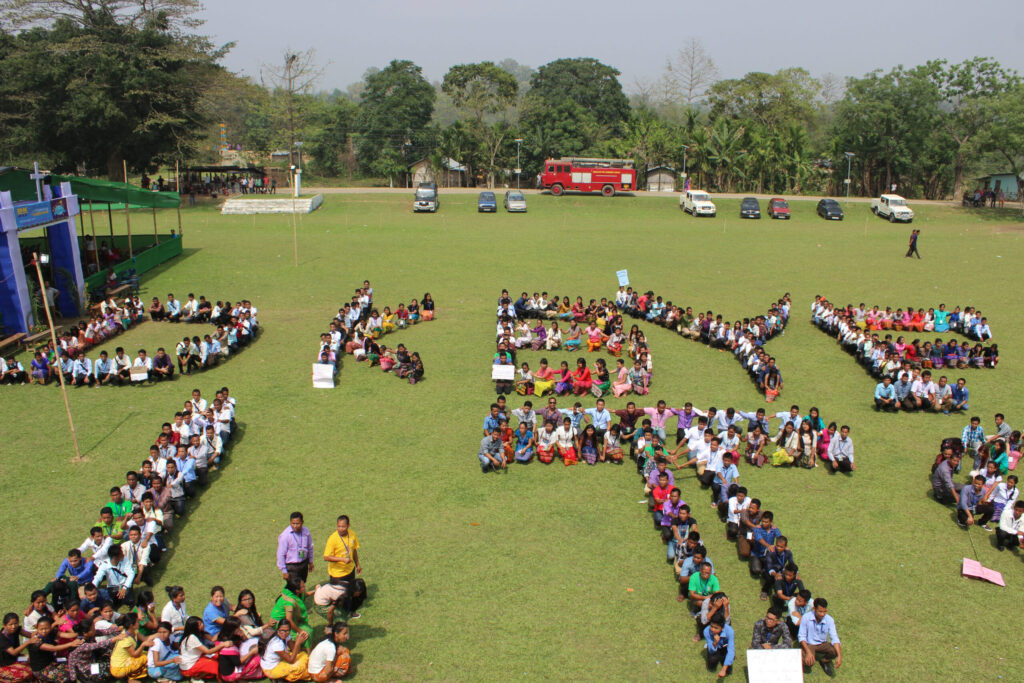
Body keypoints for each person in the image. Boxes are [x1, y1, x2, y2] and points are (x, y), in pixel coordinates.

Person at [323, 515, 362, 620]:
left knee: (351, 592)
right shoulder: (332, 539)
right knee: (338, 596)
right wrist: (342, 559)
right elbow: (326, 557)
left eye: (343, 526)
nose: (340, 529)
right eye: (338, 526)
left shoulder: (352, 534)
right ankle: (335, 614)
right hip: (337, 574)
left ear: (348, 526)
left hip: (350, 570)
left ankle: (350, 611)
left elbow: (354, 550)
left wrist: (357, 564)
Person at [798, 598, 842, 677]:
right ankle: (804, 655)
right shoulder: (806, 617)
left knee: (835, 651)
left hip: (822, 643)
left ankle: (824, 661)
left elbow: (834, 638)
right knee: (808, 662)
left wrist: (839, 656)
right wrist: (808, 652)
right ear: (814, 609)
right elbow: (801, 636)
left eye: (825, 611)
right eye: (820, 611)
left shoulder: (829, 620)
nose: (822, 614)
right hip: (809, 644)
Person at [109, 612, 155, 679]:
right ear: (131, 625)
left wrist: (158, 635)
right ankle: (133, 676)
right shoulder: (125, 639)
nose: (139, 623)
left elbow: (144, 639)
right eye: (137, 622)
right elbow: (134, 654)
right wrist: (142, 645)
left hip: (126, 660)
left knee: (148, 653)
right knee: (145, 658)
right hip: (118, 669)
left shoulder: (133, 630)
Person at [277, 513, 314, 582]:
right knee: (295, 586)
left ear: (302, 522)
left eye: (297, 523)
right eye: (293, 523)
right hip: (291, 566)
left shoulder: (306, 531)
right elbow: (281, 554)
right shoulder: (285, 536)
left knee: (302, 583)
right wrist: (284, 571)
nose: (295, 526)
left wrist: (310, 562)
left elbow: (310, 547)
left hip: (303, 563)